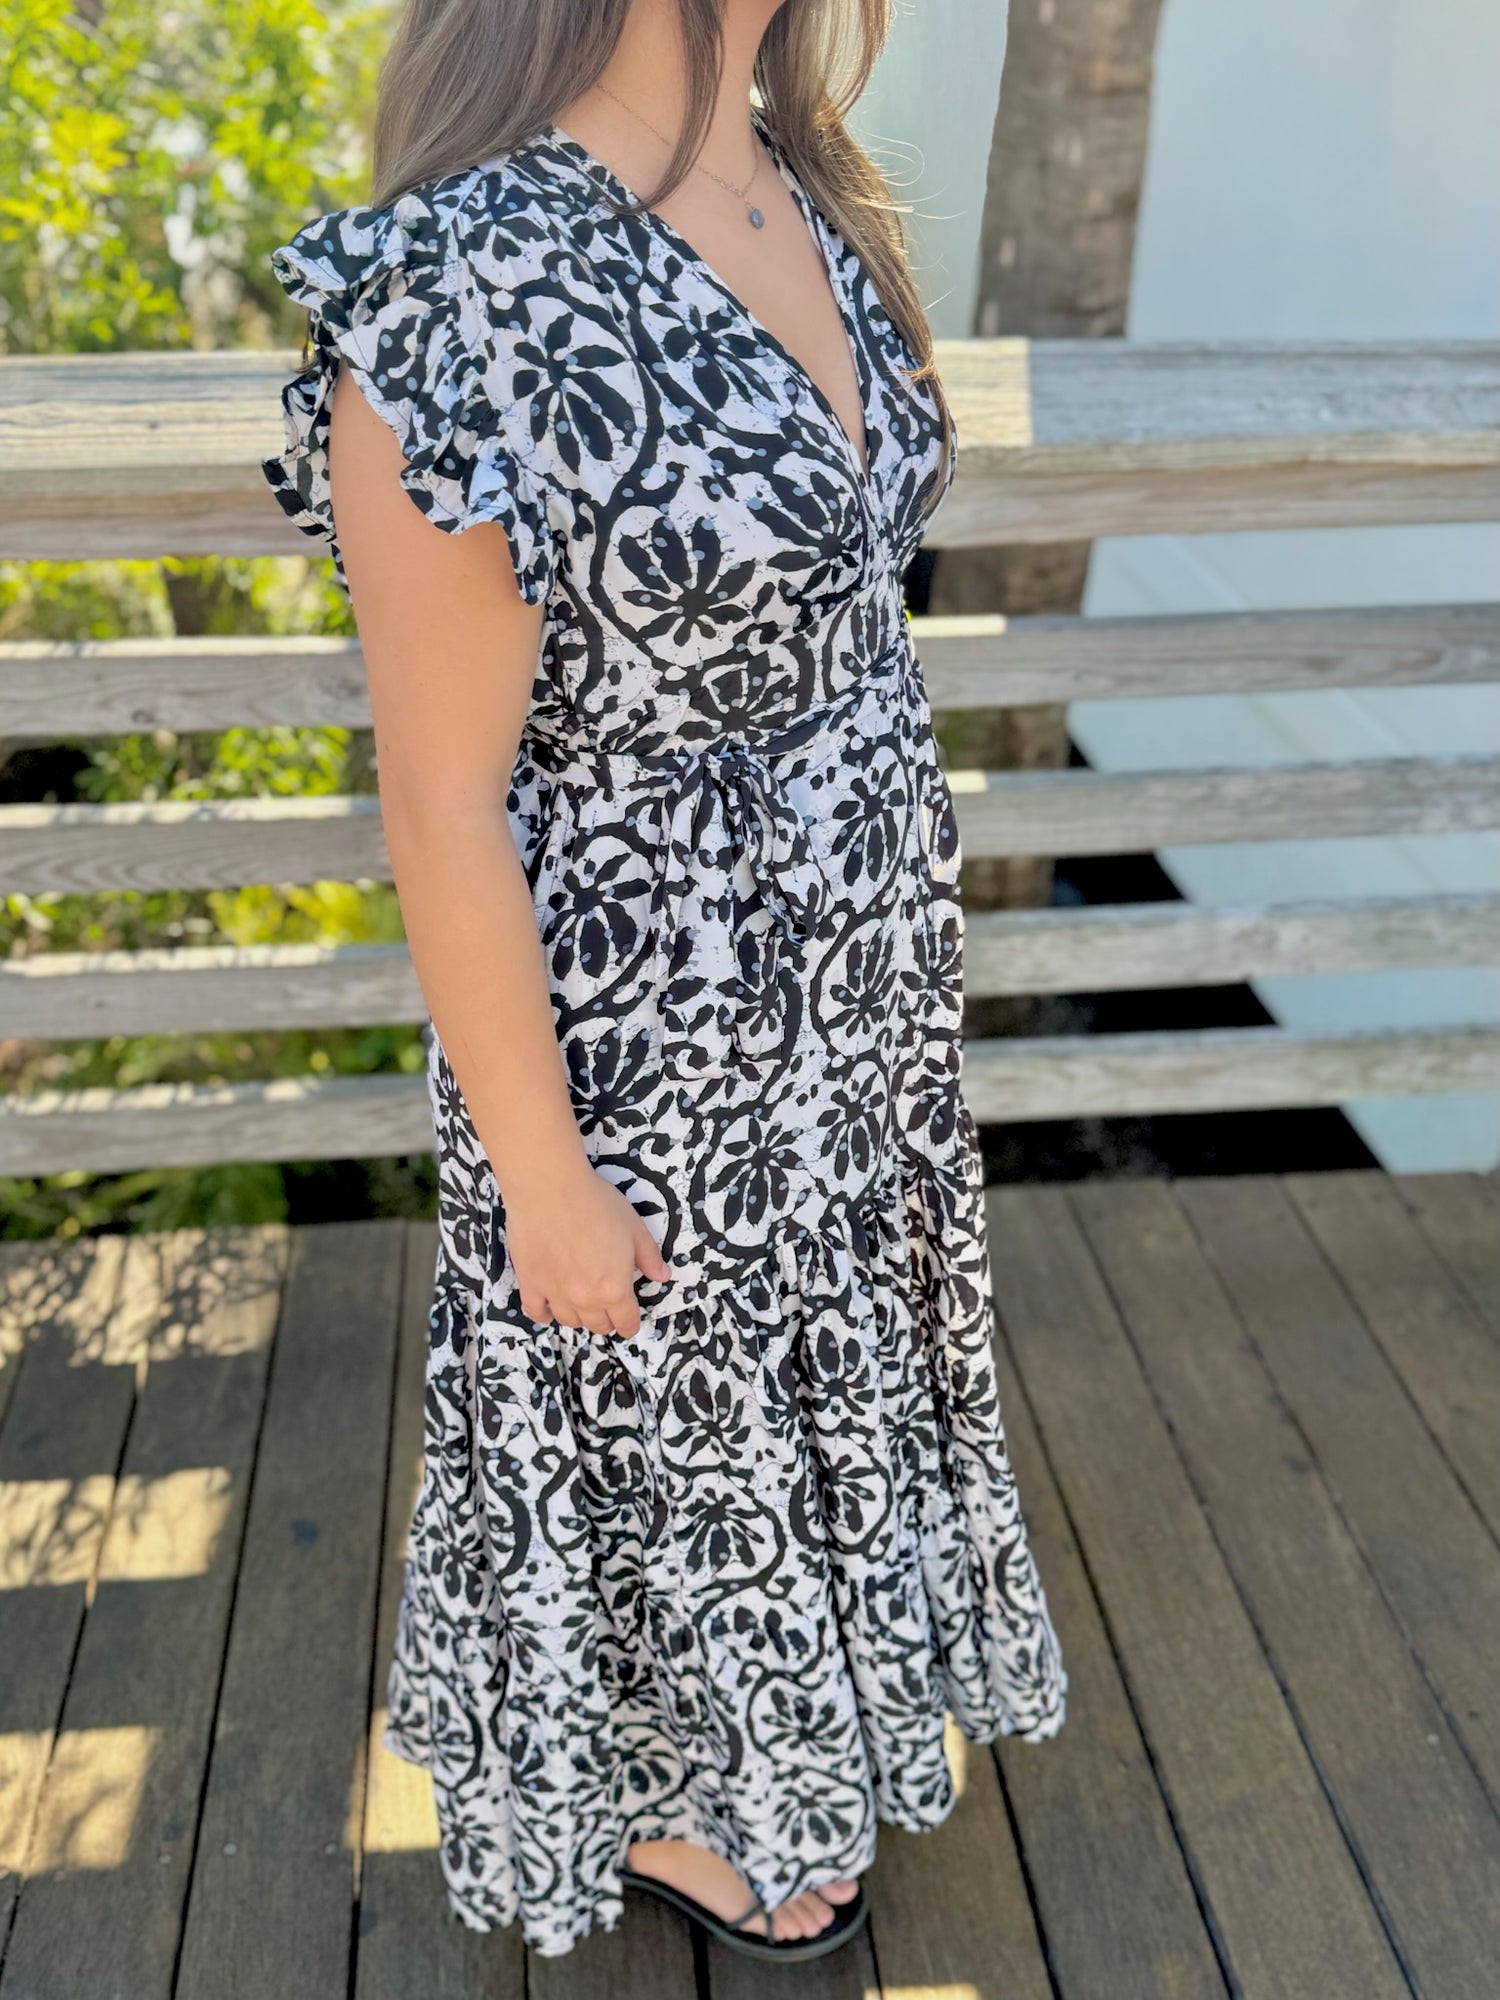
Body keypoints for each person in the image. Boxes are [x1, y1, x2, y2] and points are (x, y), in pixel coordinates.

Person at [262, 0, 1066, 1965]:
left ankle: (808, 1731)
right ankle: (696, 1806)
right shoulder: (456, 289)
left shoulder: (795, 170)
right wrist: (540, 1173)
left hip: (846, 968)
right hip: (644, 1008)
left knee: (813, 1365)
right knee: (666, 1401)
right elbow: (444, 803)